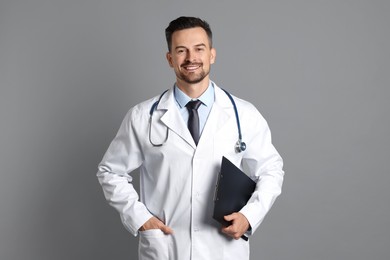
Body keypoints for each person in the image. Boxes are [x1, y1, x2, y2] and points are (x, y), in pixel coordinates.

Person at [97, 16, 284, 260]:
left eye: (199, 49)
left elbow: (272, 169)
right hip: (166, 246)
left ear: (212, 55)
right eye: (181, 50)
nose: (191, 58)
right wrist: (140, 219)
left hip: (223, 247)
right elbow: (110, 172)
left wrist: (249, 215)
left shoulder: (244, 114)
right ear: (170, 59)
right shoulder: (143, 116)